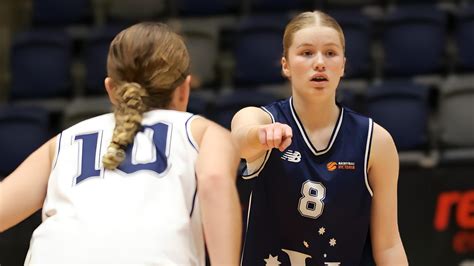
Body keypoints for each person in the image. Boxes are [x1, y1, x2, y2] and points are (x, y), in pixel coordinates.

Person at [0, 22, 242, 265]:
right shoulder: (204, 132)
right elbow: (215, 180)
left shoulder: (63, 141)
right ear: (184, 89)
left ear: (111, 89)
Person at [231, 11, 408, 266]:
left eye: (330, 53)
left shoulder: (375, 140)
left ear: (343, 65)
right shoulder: (262, 119)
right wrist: (259, 135)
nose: (320, 63)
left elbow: (389, 245)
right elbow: (239, 139)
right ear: (286, 65)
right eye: (306, 53)